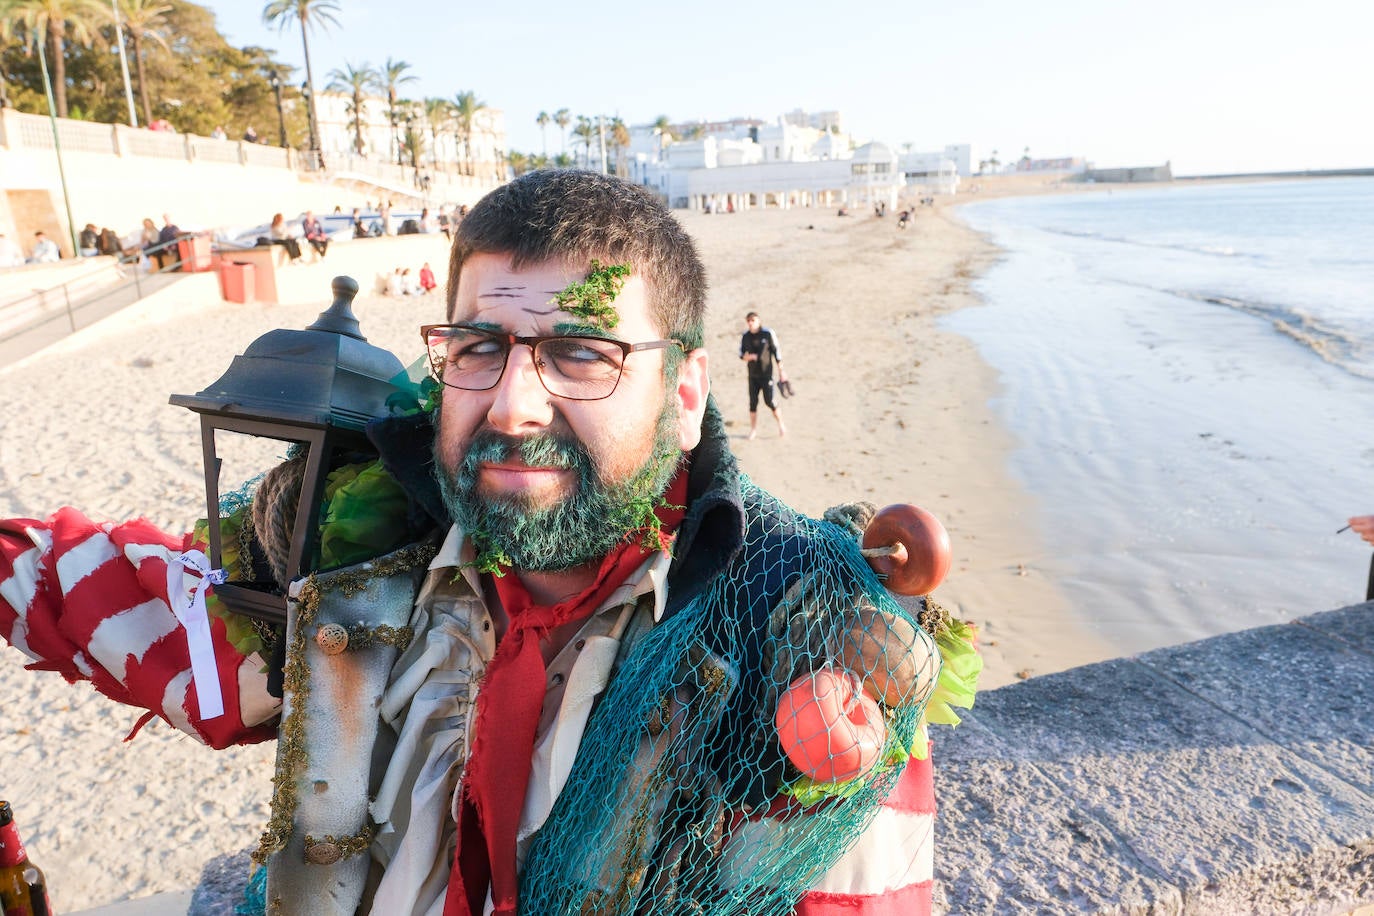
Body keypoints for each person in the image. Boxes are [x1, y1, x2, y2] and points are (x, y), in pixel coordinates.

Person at [0, 171, 977, 915]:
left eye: (581, 352)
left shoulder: (799, 637)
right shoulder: (348, 558)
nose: (513, 405)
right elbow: (129, 608)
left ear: (684, 396)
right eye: (479, 348)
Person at [739, 310, 787, 439]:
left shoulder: (767, 333)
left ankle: (781, 425)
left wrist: (781, 372)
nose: (750, 323)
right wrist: (749, 357)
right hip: (752, 376)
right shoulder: (745, 336)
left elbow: (777, 352)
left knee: (770, 401)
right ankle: (753, 430)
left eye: (753, 320)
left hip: (767, 375)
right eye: (748, 321)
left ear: (758, 321)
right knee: (753, 403)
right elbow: (741, 354)